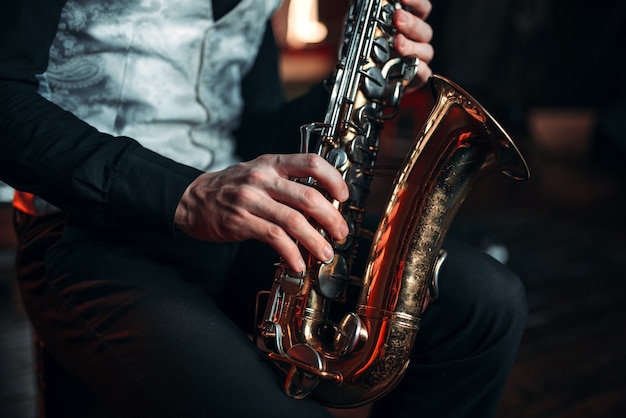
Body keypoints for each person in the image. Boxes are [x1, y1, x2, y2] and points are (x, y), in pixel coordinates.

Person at [0, 0, 528, 417]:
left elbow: (256, 124)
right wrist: (184, 193)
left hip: (237, 224)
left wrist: (369, 72)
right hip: (85, 229)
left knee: (488, 302)